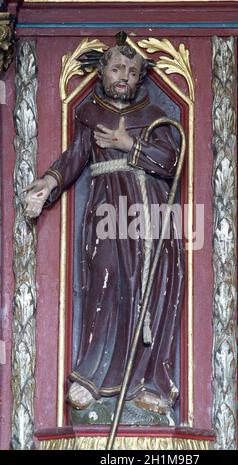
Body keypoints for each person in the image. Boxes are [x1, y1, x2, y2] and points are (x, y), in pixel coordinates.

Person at [24, 35, 184, 423]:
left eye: (131, 71)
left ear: (141, 77)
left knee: (158, 288)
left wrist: (128, 143)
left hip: (153, 218)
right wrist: (47, 183)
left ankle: (150, 382)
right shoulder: (91, 113)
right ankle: (94, 378)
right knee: (107, 281)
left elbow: (170, 159)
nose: (123, 77)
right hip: (109, 212)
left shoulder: (156, 117)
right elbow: (75, 156)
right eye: (116, 69)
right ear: (102, 73)